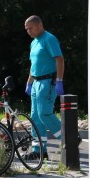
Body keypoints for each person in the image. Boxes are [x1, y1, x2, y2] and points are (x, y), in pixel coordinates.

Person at [24, 15, 64, 158]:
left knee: (44, 113)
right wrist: (29, 83)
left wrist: (59, 80)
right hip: (36, 82)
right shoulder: (34, 43)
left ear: (39, 25)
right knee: (35, 116)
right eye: (27, 29)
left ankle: (68, 140)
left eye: (31, 28)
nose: (29, 31)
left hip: (48, 81)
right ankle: (39, 150)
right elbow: (33, 65)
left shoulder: (49, 39)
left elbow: (59, 59)